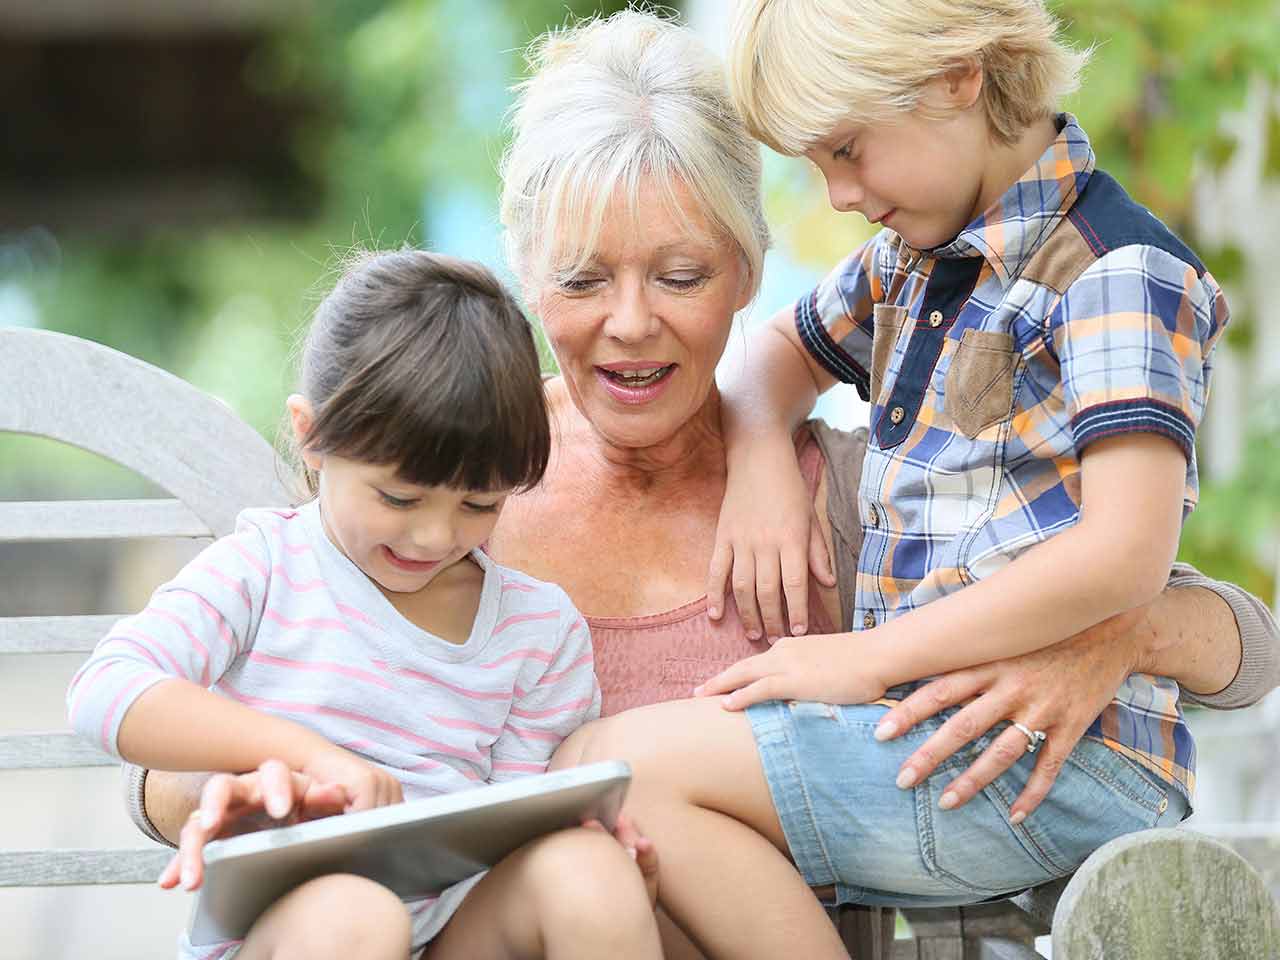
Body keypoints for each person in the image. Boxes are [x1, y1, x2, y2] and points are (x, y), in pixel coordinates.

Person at [128, 11, 1280, 959]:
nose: (630, 324)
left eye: (680, 274)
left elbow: (1245, 651)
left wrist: (1120, 633)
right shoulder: (438, 476)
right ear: (524, 272)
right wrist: (237, 783)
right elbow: (197, 732)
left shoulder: (844, 493)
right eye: (581, 278)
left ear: (744, 268)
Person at [558, 1, 1245, 956]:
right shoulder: (913, 261)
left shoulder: (1115, 271)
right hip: (952, 737)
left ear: (958, 80)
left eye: (847, 150)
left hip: (1058, 759)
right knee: (615, 774)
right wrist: (761, 461)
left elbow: (1127, 554)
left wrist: (862, 661)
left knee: (616, 763)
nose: (838, 193)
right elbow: (771, 362)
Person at [67, 250, 662, 960]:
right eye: (399, 498)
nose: (435, 535)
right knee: (358, 915)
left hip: (453, 931)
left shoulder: (536, 631)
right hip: (305, 934)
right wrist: (309, 756)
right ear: (312, 437)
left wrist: (591, 849)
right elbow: (104, 692)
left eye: (480, 503)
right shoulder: (267, 568)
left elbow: (509, 835)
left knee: (586, 873)